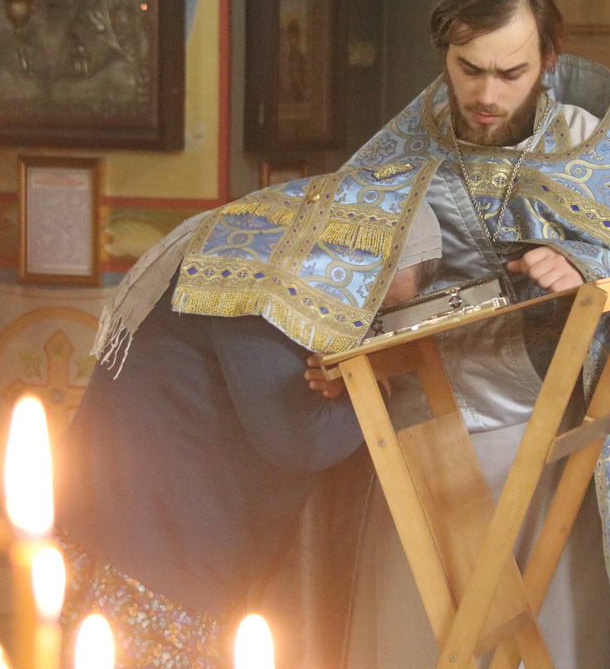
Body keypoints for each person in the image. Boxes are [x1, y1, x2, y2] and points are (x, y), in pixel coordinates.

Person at [335, 0, 610, 668]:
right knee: (421, 623)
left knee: (549, 620)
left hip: (546, 413)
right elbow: (336, 258)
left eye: (511, 73)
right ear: (445, 52)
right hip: (424, 415)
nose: (485, 94)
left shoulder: (583, 139)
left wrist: (582, 264)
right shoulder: (408, 142)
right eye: (468, 69)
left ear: (549, 60)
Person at [54, 163, 442, 669]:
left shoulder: (257, 238)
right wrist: (379, 387)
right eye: (371, 303)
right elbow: (299, 441)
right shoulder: (257, 273)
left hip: (121, 519)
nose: (366, 320)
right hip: (154, 544)